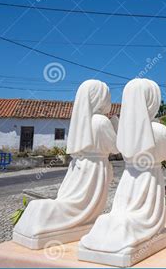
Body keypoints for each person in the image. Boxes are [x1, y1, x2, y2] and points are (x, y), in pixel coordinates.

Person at [13, 80, 117, 247]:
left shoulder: (83, 120)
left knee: (71, 199)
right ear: (99, 98)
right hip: (95, 168)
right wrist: (115, 125)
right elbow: (115, 147)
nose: (109, 101)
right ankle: (46, 215)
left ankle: (39, 214)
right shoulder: (100, 121)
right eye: (107, 96)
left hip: (79, 166)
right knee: (83, 205)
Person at [80, 79, 166, 253]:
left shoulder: (125, 132)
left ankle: (113, 229)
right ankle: (126, 231)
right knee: (141, 218)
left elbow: (116, 148)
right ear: (151, 101)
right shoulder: (159, 130)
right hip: (149, 181)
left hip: (128, 181)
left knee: (121, 213)